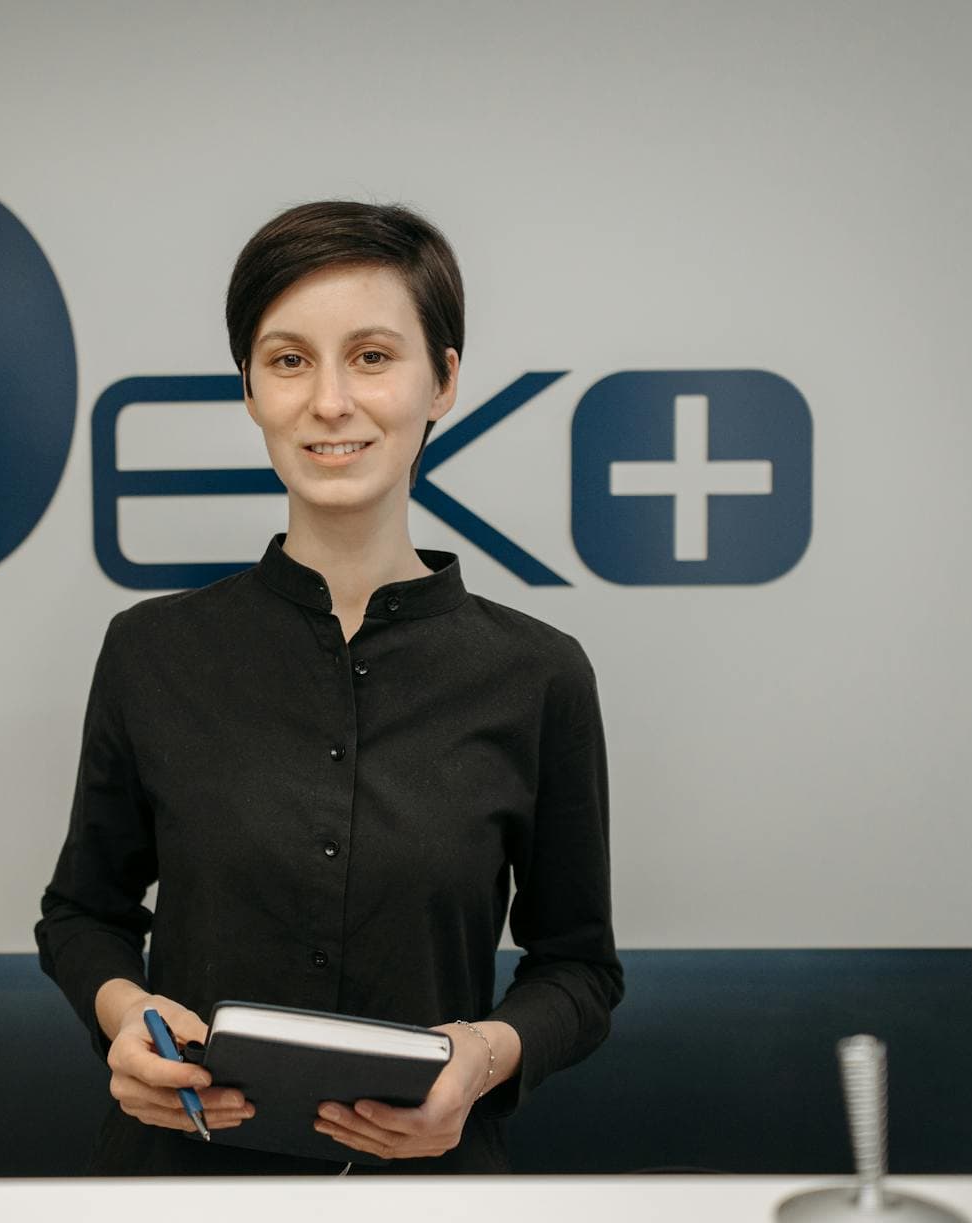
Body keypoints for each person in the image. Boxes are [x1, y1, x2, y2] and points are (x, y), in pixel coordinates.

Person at [34, 200, 622, 1174]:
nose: (329, 400)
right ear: (251, 390)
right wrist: (122, 1012)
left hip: (429, 1182)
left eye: (372, 356)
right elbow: (81, 914)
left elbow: (578, 971)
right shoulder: (150, 651)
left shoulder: (537, 673)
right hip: (180, 1173)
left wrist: (478, 1058)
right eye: (288, 359)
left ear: (442, 380)